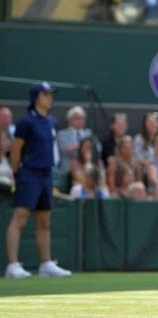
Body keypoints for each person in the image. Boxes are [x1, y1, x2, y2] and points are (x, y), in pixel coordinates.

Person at [5, 82, 72, 279]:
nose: (50, 98)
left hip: (46, 175)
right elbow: (16, 150)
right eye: (46, 94)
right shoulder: (26, 122)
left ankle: (46, 264)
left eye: (50, 94)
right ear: (36, 98)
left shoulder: (51, 121)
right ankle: (13, 265)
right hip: (29, 174)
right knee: (20, 218)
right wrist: (17, 173)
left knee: (44, 221)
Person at [56, 105, 93, 173]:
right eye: (76, 118)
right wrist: (84, 146)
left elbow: (98, 148)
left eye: (82, 118)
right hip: (68, 169)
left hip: (86, 169)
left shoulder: (89, 133)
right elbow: (65, 150)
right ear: (69, 120)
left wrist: (76, 147)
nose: (80, 120)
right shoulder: (62, 134)